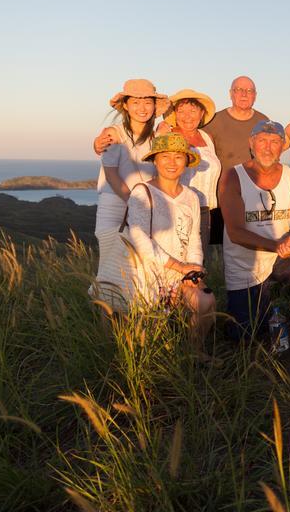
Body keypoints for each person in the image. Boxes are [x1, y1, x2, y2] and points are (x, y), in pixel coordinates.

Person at [218, 120, 290, 344]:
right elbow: (236, 232)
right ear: (251, 143)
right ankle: (240, 318)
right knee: (247, 337)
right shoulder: (233, 177)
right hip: (246, 263)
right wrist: (277, 245)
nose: (267, 147)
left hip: (281, 258)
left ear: (282, 146)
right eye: (262, 141)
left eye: (274, 141)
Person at [125, 133, 215, 351]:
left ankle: (194, 352)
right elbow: (140, 239)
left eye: (178, 157)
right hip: (150, 274)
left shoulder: (191, 196)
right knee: (153, 337)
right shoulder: (142, 192)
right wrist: (179, 266)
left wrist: (192, 271)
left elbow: (194, 238)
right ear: (155, 160)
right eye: (165, 156)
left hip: (183, 274)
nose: (172, 163)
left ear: (186, 162)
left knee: (206, 301)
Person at [91, 79, 168, 307]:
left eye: (147, 102)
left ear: (155, 106)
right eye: (135, 102)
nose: (142, 107)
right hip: (114, 207)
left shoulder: (156, 137)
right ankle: (107, 329)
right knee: (109, 269)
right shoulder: (114, 133)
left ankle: (133, 325)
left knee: (140, 269)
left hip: (144, 208)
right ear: (125, 105)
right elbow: (112, 175)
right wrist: (135, 201)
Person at [199, 76, 270, 247]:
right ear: (231, 94)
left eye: (249, 91)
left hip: (253, 197)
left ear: (255, 95)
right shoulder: (214, 121)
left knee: (248, 246)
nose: (244, 94)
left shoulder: (263, 121)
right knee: (216, 248)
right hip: (220, 197)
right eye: (239, 90)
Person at [161, 89, 221, 252]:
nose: (187, 116)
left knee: (200, 262)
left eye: (193, 110)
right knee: (177, 258)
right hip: (178, 209)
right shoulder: (169, 136)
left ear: (202, 113)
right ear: (175, 114)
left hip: (205, 211)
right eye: (181, 111)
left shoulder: (207, 137)